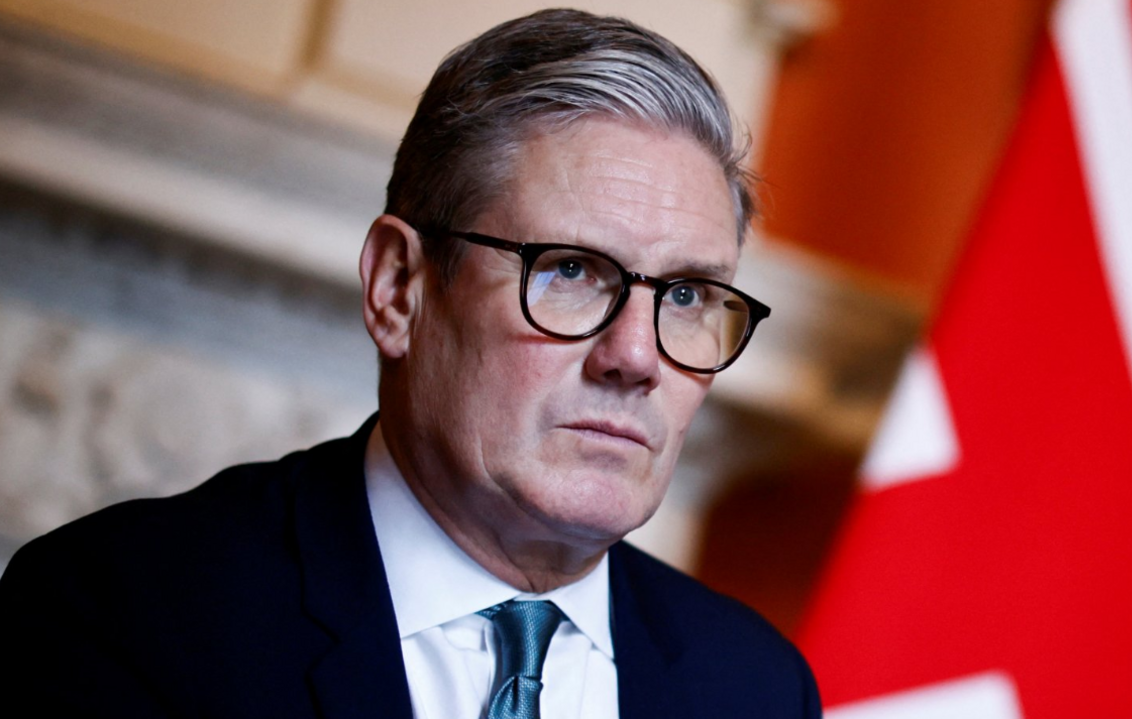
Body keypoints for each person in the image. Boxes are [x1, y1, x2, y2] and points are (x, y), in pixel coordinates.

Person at [0, 8, 820, 718]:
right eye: (569, 271)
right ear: (399, 288)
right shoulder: (128, 612)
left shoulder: (754, 688)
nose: (636, 356)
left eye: (685, 297)